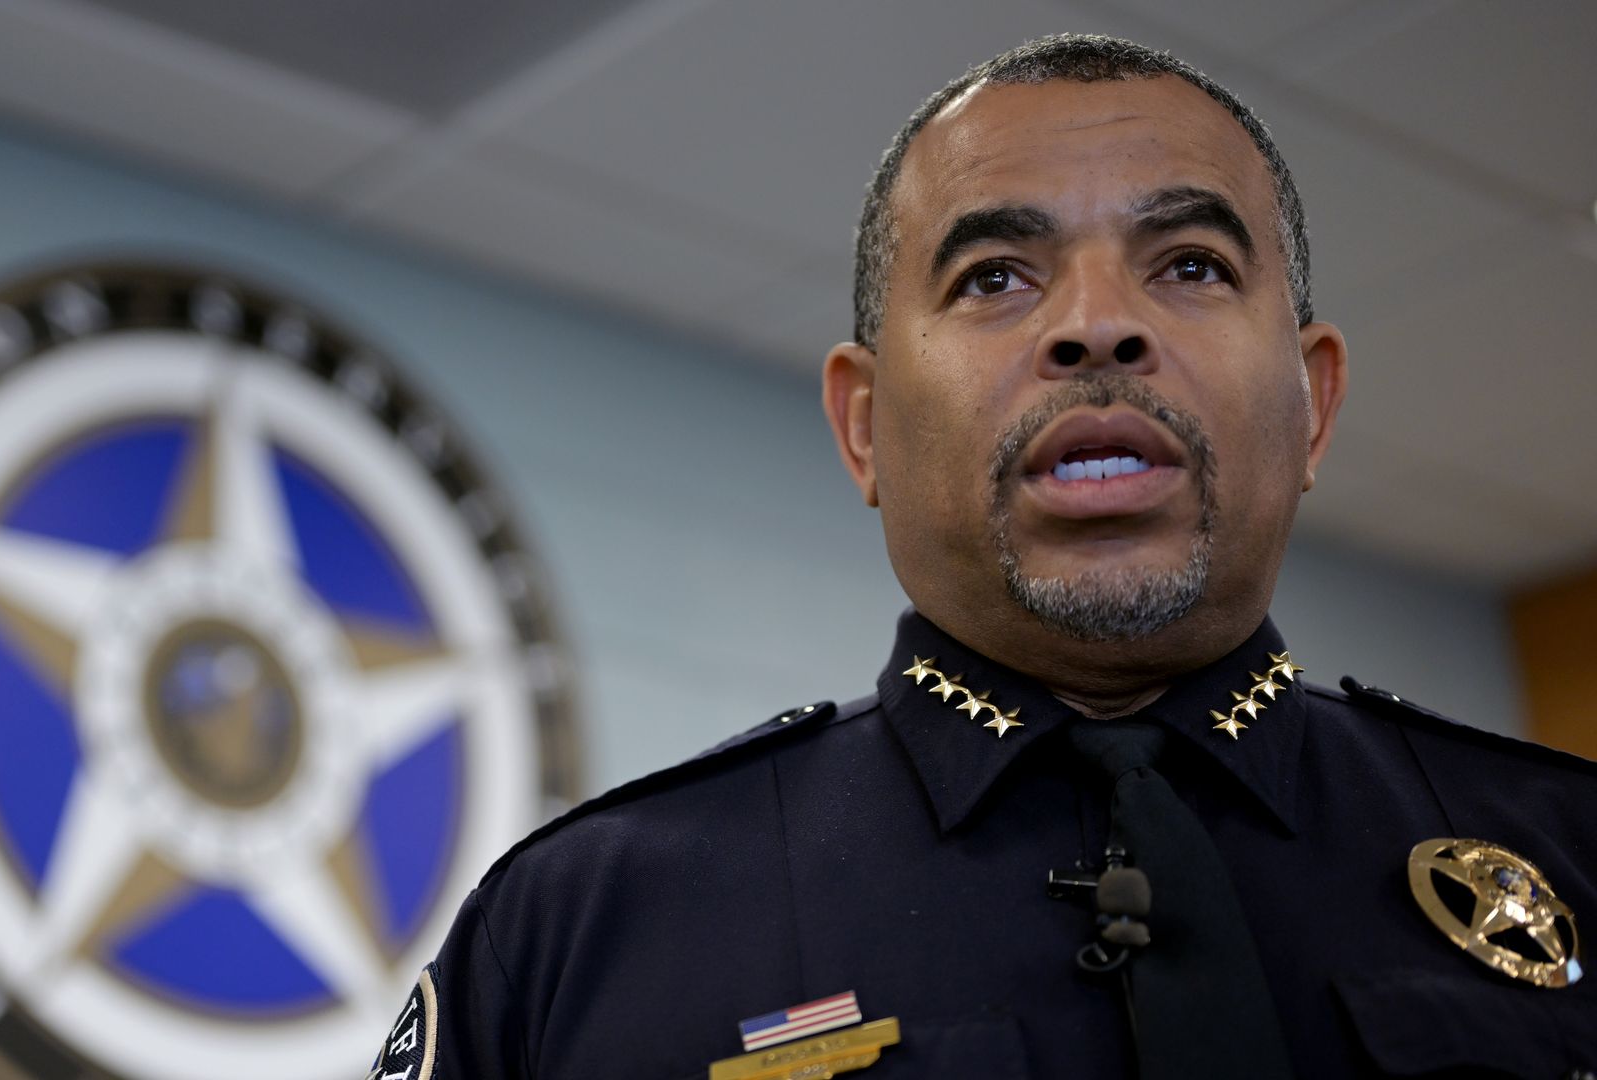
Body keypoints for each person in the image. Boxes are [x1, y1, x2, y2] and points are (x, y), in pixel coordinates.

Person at [366, 33, 1597, 1079]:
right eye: (996, 276)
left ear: (1313, 405)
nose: (1097, 326)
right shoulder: (572, 937)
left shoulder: (1571, 852)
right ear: (866, 429)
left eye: (1190, 266)